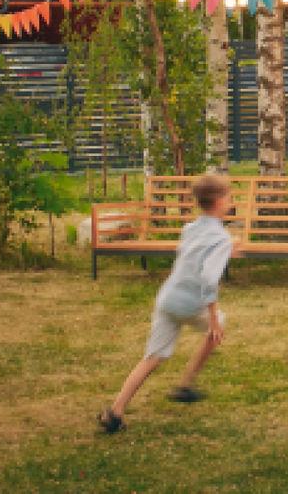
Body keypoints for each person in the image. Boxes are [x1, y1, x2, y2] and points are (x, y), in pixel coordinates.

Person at [98, 173, 233, 433]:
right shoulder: (222, 238)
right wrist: (213, 318)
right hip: (191, 303)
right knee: (219, 327)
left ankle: (115, 412)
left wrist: (229, 252)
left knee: (152, 357)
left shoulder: (190, 228)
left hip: (168, 298)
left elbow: (193, 255)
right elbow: (208, 278)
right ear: (217, 202)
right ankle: (186, 384)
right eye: (229, 198)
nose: (230, 202)